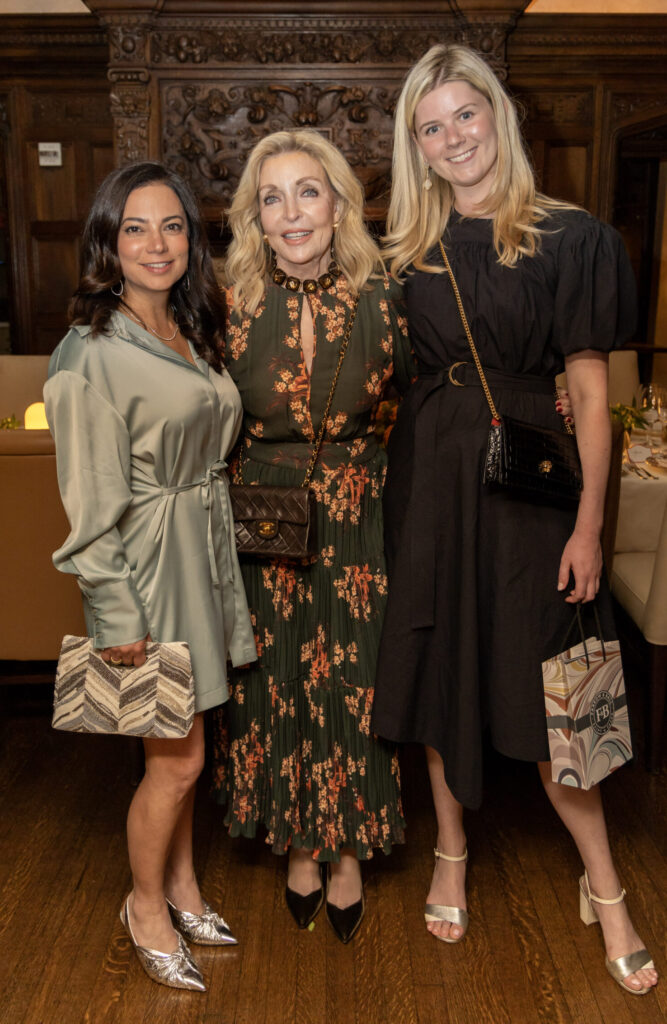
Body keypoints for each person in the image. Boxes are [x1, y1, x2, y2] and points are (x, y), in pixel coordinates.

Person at [372, 44, 658, 996]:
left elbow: (590, 390)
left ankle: (605, 887)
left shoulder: (572, 238)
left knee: (558, 672)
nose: (453, 137)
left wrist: (588, 524)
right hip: (431, 481)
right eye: (430, 126)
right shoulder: (405, 252)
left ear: (498, 114)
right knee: (440, 649)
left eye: (466, 113)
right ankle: (450, 851)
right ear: (415, 146)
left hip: (533, 483)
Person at [45, 162, 257, 991]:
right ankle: (144, 906)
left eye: (171, 226)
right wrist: (113, 609)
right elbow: (87, 498)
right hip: (146, 567)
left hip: (199, 554)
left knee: (187, 745)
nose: (156, 243)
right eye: (135, 228)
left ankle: (183, 886)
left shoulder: (187, 327)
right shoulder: (88, 352)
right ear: (109, 241)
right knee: (177, 760)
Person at [212, 129, 412, 943]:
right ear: (254, 217)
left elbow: (431, 393)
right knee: (275, 677)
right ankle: (297, 842)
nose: (291, 213)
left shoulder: (387, 294)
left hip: (361, 511)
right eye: (272, 197)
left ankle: (348, 848)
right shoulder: (226, 303)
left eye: (307, 192)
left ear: (337, 204)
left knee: (354, 678)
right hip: (262, 510)